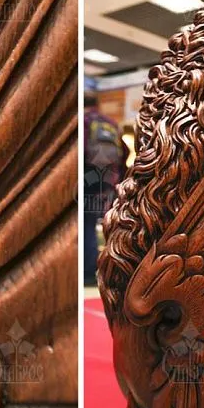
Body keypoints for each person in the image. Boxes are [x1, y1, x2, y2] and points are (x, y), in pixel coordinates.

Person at [83, 93, 128, 286]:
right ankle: (112, 269)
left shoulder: (85, 121)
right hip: (109, 181)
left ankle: (87, 271)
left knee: (86, 225)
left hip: (88, 179)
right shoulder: (110, 124)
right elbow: (124, 153)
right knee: (107, 224)